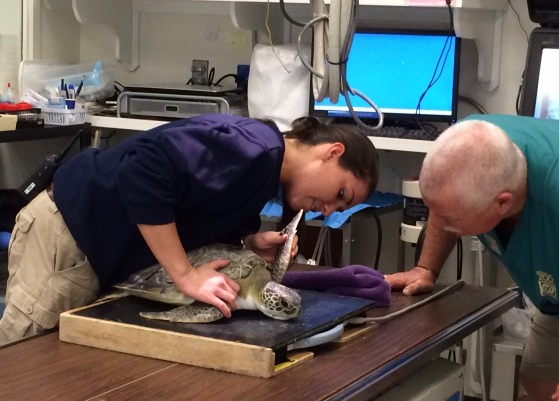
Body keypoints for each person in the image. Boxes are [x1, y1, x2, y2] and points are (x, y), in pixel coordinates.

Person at [0, 113, 378, 345]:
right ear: (332, 152)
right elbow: (142, 169)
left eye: (338, 209)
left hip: (97, 253)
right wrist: (185, 275)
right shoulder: (254, 149)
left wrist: (247, 242)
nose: (327, 209)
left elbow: (190, 207)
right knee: (25, 376)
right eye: (340, 193)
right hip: (67, 236)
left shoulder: (264, 175)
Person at [385, 114, 559, 401]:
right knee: (544, 379)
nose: (442, 223)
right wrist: (426, 268)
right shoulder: (470, 145)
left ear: (502, 203)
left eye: (454, 221)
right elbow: (442, 206)